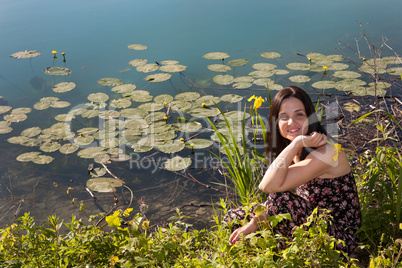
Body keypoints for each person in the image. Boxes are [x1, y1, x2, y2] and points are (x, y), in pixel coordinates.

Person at [225, 86, 361, 254]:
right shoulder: (296, 148)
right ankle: (264, 237)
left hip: (338, 236)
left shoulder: (328, 153)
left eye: (299, 115)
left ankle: (275, 247)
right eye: (284, 117)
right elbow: (278, 190)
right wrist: (253, 223)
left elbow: (267, 187)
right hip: (310, 215)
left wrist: (297, 142)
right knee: (234, 216)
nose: (291, 122)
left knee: (278, 200)